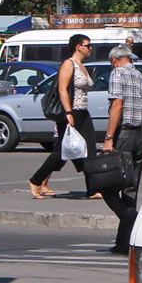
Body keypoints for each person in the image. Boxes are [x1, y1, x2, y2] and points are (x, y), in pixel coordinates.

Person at [27, 34, 98, 199]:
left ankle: (93, 189)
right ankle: (36, 181)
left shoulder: (82, 65)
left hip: (83, 111)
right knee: (61, 151)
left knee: (90, 150)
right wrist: (68, 112)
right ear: (78, 46)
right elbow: (62, 89)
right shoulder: (69, 64)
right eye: (88, 45)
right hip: (71, 111)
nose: (90, 48)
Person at [102, 45, 142, 254]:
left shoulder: (117, 73)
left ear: (115, 60)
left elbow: (117, 105)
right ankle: (124, 243)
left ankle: (129, 217)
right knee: (130, 189)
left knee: (107, 185)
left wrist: (108, 138)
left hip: (123, 134)